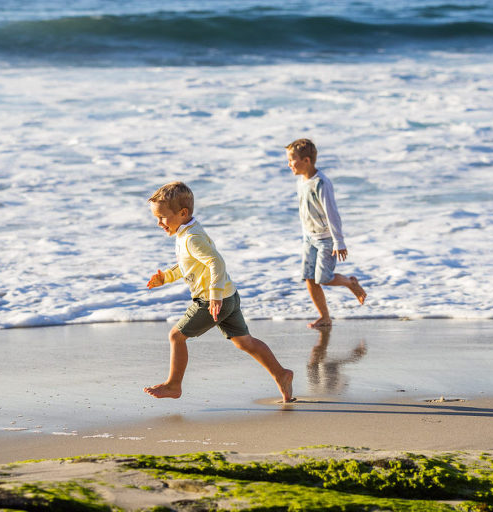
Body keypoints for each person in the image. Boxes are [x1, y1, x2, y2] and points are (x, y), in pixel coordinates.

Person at [144, 182, 295, 403]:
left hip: (212, 300)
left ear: (182, 213)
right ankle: (281, 374)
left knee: (176, 336)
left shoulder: (191, 238)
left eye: (162, 218)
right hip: (228, 296)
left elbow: (216, 262)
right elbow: (191, 265)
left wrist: (213, 295)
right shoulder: (188, 230)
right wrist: (166, 277)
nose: (159, 223)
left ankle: (174, 385)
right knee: (245, 342)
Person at [286, 138, 367, 329]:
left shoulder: (321, 183)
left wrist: (339, 241)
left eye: (292, 160)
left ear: (306, 160)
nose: (289, 164)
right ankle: (324, 317)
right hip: (309, 238)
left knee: (324, 278)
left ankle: (350, 283)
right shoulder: (301, 181)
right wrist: (305, 234)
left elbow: (332, 213)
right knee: (309, 278)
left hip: (326, 239)